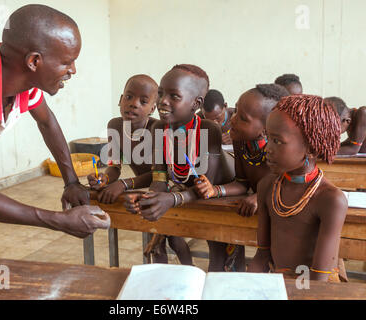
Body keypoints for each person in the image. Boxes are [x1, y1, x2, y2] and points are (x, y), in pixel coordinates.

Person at [0, 4, 110, 241]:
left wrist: (71, 181)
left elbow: (47, 122)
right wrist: (57, 220)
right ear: (34, 62)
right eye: (67, 62)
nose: (73, 70)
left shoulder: (21, 81)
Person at [123, 64, 234, 269]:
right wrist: (146, 199)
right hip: (187, 191)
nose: (162, 101)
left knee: (218, 247)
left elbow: (203, 187)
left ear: (196, 103)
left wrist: (171, 198)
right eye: (161, 93)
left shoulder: (209, 130)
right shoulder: (158, 128)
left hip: (220, 195)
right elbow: (159, 178)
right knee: (169, 231)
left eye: (174, 96)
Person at [247, 95, 347, 282]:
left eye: (277, 141)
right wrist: (242, 287)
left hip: (314, 286)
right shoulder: (267, 186)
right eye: (268, 138)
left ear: (312, 149)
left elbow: (319, 279)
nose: (267, 148)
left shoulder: (329, 199)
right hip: (279, 280)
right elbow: (262, 256)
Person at [193, 84, 289, 271]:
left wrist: (258, 197)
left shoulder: (279, 152)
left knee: (274, 265)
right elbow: (241, 184)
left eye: (243, 118)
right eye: (236, 112)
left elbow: (285, 186)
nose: (233, 120)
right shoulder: (240, 142)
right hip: (254, 211)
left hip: (282, 219)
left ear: (265, 130)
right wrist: (214, 190)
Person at [87, 74, 158, 203]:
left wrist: (123, 184)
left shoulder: (157, 129)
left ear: (152, 108)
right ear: (121, 100)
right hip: (141, 186)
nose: (133, 104)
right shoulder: (115, 126)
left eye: (143, 101)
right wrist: (105, 178)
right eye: (129, 97)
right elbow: (115, 166)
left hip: (168, 187)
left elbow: (161, 176)